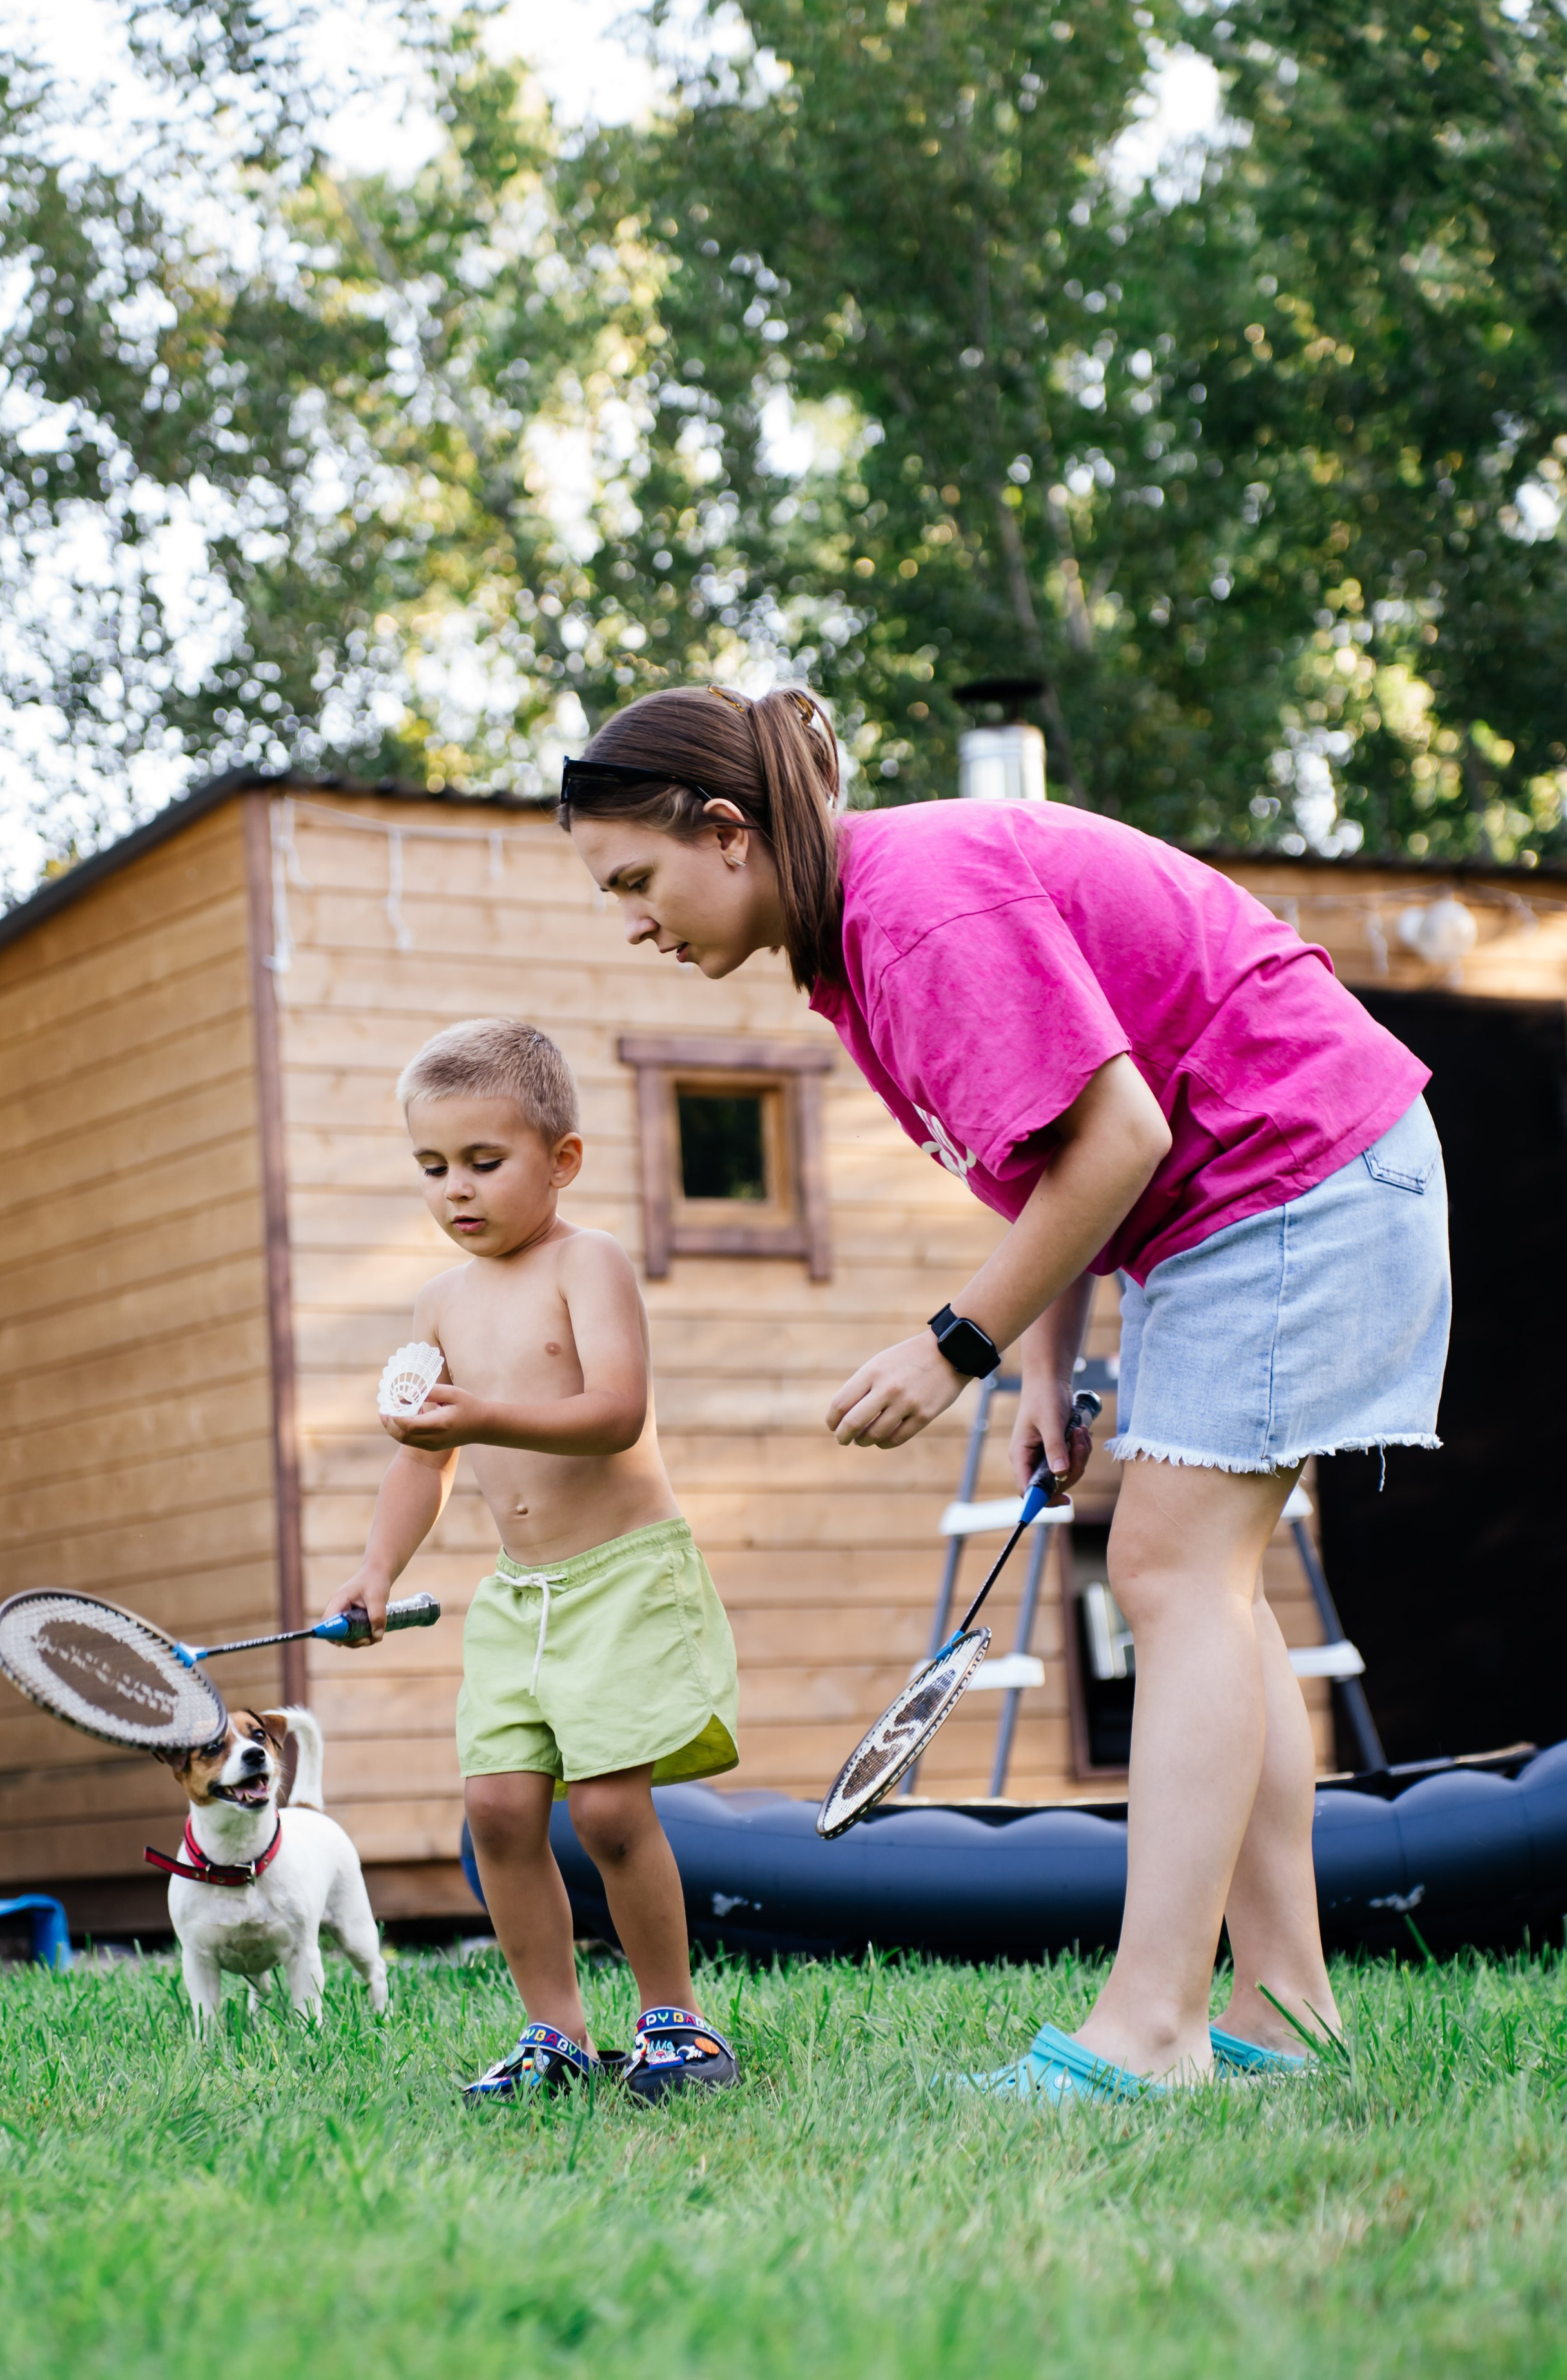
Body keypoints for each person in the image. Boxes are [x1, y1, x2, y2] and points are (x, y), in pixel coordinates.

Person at [560, 685, 1450, 2101]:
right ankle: (1286, 2012)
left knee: (1168, 1572)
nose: (630, 921)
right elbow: (1058, 1158)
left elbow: (1124, 1131)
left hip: (1294, 1174)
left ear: (724, 832)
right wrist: (1048, 1364)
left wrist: (955, 1345)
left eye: (632, 880)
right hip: (1239, 1202)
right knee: (1201, 1582)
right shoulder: (850, 946)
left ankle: (1150, 2028)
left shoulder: (913, 910)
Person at [324, 1016, 741, 2105]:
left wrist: (484, 1411)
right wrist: (375, 1568)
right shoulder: (438, 1303)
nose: (454, 1191)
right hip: (521, 1597)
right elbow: (427, 1459)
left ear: (561, 1162)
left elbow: (613, 1414)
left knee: (607, 1811)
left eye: (483, 1161)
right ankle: (556, 2033)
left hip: (622, 1577)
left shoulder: (587, 1262)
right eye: (431, 1167)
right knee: (500, 1809)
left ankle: (675, 2024)